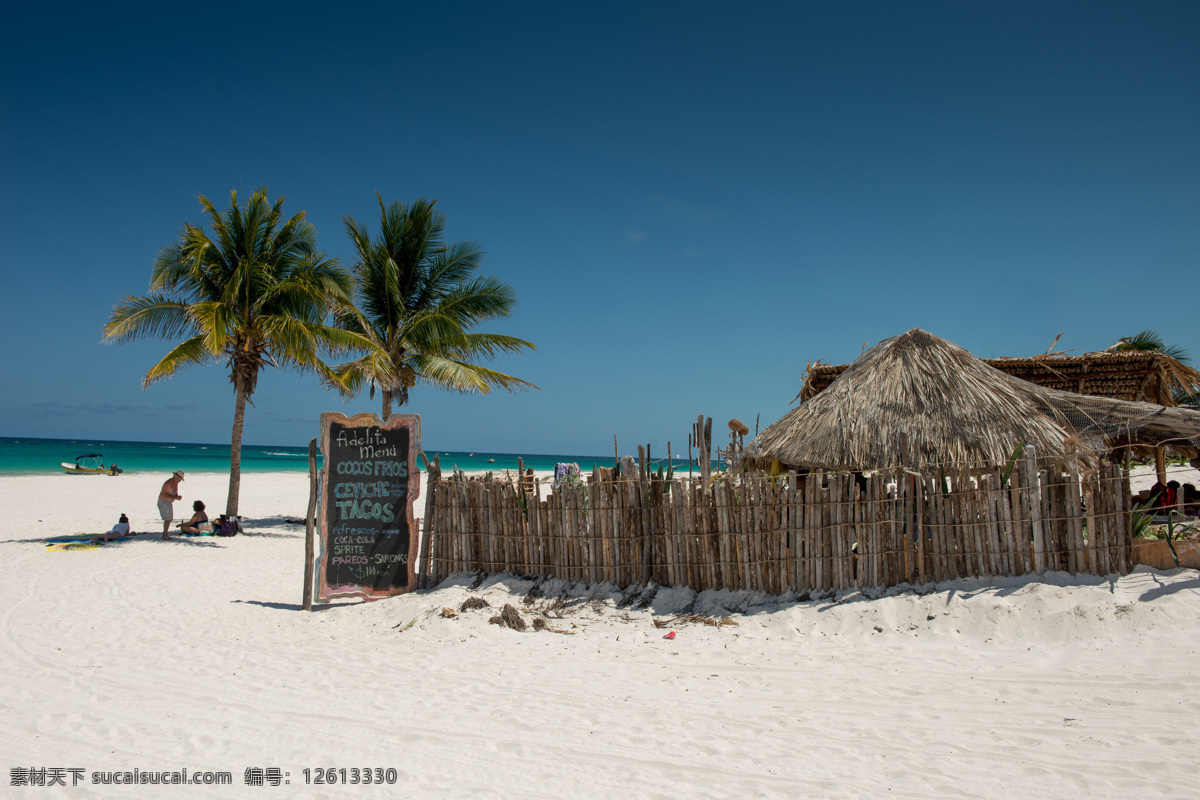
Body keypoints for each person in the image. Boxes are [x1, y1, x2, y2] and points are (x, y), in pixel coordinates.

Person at [159, 470, 184, 539]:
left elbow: (174, 492)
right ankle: (165, 535)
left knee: (169, 519)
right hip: (164, 501)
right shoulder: (168, 483)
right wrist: (175, 497)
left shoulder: (175, 483)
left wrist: (177, 496)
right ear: (176, 477)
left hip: (168, 502)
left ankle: (165, 534)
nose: (180, 481)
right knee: (168, 519)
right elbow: (163, 494)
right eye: (179, 479)